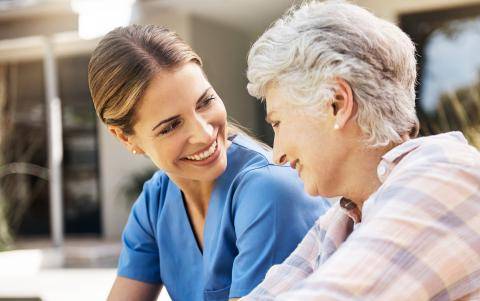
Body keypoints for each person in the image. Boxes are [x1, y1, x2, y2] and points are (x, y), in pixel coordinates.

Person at [241, 1, 480, 300]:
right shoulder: (341, 221)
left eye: (278, 122)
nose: (277, 155)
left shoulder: (448, 176)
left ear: (337, 104)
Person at [87, 24, 330, 301]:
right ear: (125, 138)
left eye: (205, 102)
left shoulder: (270, 192)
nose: (204, 134)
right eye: (171, 126)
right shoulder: (156, 201)